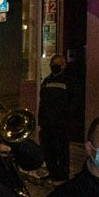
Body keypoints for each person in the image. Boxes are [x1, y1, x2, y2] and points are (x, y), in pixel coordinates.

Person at [36, 53, 79, 184]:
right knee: (48, 150)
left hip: (61, 123)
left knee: (61, 149)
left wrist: (67, 117)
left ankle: (63, 175)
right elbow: (42, 101)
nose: (55, 67)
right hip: (47, 123)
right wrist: (41, 120)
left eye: (58, 65)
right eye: (53, 65)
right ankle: (52, 172)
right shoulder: (47, 81)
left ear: (64, 66)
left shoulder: (69, 81)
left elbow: (74, 101)